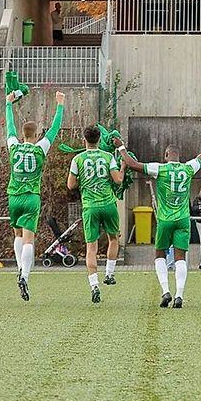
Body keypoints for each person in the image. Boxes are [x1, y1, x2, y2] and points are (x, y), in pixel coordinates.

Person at [115, 115, 201, 309]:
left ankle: (166, 291)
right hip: (183, 219)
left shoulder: (159, 168)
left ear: (166, 155)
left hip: (165, 219)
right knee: (180, 258)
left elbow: (133, 165)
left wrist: (121, 147)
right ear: (180, 155)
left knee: (160, 255)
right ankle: (179, 295)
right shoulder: (187, 168)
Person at [6, 90, 65, 301]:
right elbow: (55, 129)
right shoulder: (40, 148)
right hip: (32, 197)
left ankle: (20, 269)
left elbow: (9, 127)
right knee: (29, 239)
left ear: (22, 135)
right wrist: (60, 105)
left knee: (17, 236)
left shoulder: (14, 147)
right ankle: (25, 276)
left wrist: (8, 104)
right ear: (36, 133)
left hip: (14, 197)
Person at [68, 126, 125, 304]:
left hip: (90, 206)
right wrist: (122, 167)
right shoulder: (108, 157)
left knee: (91, 248)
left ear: (84, 140)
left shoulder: (78, 159)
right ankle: (109, 274)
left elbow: (71, 185)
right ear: (99, 139)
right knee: (113, 239)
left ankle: (94, 285)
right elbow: (118, 180)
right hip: (108, 204)